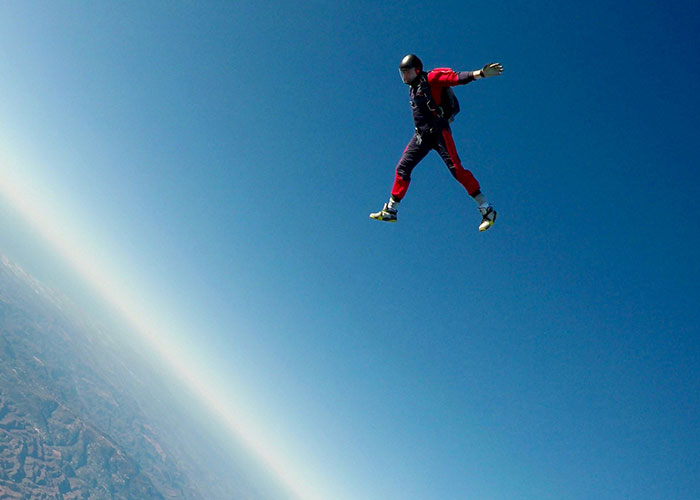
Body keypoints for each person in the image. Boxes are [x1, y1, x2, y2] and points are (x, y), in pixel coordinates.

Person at [370, 54, 503, 231]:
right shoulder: (413, 88)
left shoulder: (430, 78)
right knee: (402, 168)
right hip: (421, 136)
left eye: (407, 72)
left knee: (457, 170)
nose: (404, 77)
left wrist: (481, 73)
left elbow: (456, 78)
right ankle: (391, 210)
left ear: (417, 70)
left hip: (439, 132)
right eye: (402, 73)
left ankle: (487, 210)